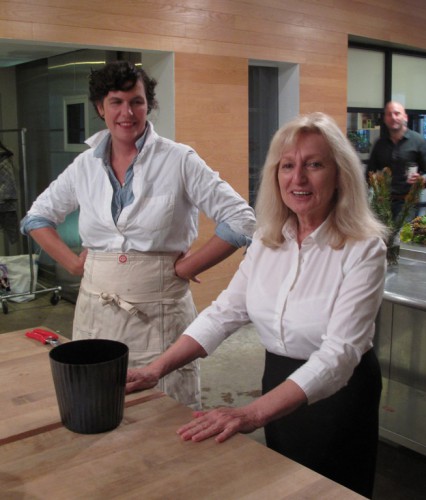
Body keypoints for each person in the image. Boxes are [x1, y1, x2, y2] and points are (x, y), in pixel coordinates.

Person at [126, 112, 388, 498]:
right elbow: (225, 312)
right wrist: (155, 369)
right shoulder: (267, 240)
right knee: (284, 482)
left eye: (313, 165)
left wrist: (251, 412)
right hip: (278, 379)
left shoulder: (363, 248)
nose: (297, 178)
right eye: (287, 166)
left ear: (340, 175)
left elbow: (339, 355)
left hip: (340, 394)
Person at [20, 61, 256, 409]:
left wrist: (188, 267)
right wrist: (72, 263)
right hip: (95, 312)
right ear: (101, 108)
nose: (127, 112)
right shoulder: (84, 166)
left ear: (149, 105)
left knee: (164, 410)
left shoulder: (178, 160)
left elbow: (241, 220)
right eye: (116, 102)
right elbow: (37, 218)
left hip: (159, 314)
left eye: (136, 101)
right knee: (97, 403)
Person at [367, 101, 426, 222]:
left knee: (400, 239)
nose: (393, 117)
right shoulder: (380, 143)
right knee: (382, 238)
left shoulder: (419, 141)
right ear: (385, 119)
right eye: (389, 114)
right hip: (382, 203)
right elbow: (369, 173)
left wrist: (422, 179)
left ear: (405, 117)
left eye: (397, 113)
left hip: (408, 203)